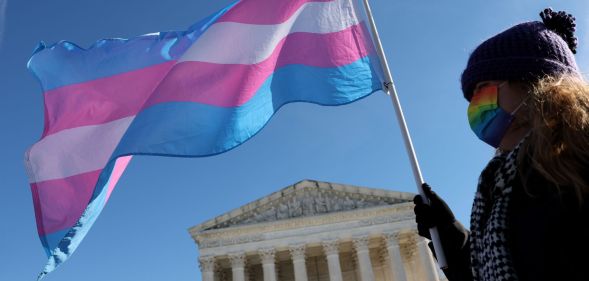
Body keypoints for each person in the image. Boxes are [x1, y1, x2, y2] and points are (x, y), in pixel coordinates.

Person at [413, 8, 589, 281]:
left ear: (534, 83)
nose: (475, 106)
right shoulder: (502, 185)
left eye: (483, 87)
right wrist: (450, 235)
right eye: (471, 98)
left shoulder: (577, 164)